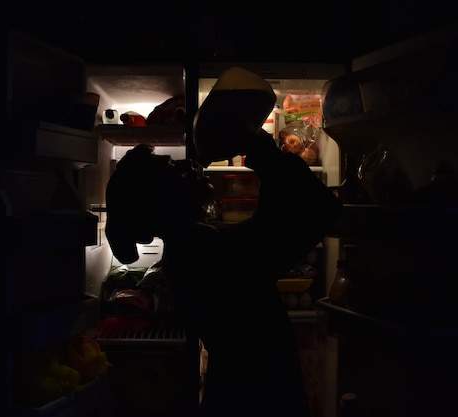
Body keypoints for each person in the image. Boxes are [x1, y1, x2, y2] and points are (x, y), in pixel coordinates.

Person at [105, 67, 342, 417]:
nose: (186, 166)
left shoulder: (197, 243)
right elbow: (313, 215)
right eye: (169, 168)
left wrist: (256, 147)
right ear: (158, 200)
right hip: (254, 399)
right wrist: (256, 145)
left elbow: (284, 222)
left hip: (242, 393)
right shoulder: (197, 255)